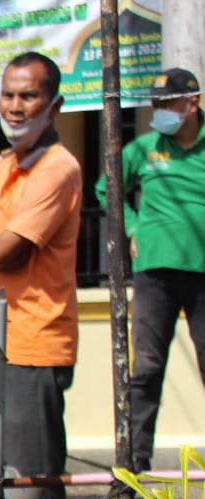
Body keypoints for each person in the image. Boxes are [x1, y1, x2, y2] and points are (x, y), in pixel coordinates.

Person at [0, 51, 82, 499]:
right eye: (8, 95)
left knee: (32, 481)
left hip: (36, 342)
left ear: (53, 105)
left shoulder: (58, 168)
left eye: (28, 95)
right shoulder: (6, 163)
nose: (15, 106)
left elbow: (3, 252)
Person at [95, 67, 205, 477]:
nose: (159, 111)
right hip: (154, 272)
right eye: (155, 104)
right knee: (145, 368)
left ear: (192, 103)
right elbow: (107, 186)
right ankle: (135, 462)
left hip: (203, 271)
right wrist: (133, 225)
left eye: (168, 103)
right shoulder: (143, 148)